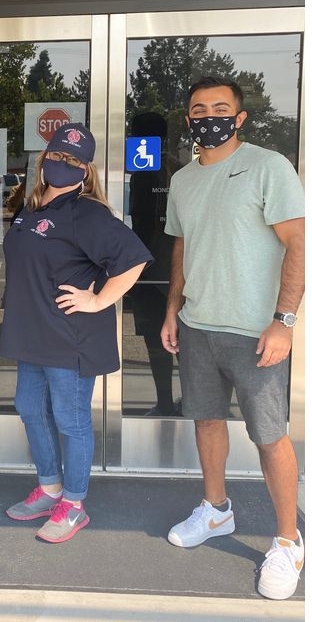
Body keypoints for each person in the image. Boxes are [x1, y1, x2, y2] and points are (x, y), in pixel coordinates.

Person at [159, 76, 305, 600]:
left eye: (221, 107)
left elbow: (299, 244)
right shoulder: (184, 181)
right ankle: (216, 510)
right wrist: (173, 309)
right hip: (199, 326)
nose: (209, 115)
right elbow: (182, 249)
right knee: (207, 423)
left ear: (240, 118)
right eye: (199, 108)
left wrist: (284, 322)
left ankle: (288, 541)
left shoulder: (269, 167)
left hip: (256, 334)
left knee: (269, 436)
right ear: (190, 118)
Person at [0, 123, 152, 543]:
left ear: (86, 169)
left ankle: (74, 503)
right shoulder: (31, 208)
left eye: (73, 160)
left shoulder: (87, 213)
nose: (61, 164)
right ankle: (49, 489)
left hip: (70, 336)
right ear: (43, 159)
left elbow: (134, 259)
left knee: (71, 419)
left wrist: (99, 300)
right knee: (29, 407)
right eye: (56, 156)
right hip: (32, 333)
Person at [125, 110, 180, 417]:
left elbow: (143, 226)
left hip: (151, 270)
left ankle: (165, 402)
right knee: (179, 342)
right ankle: (188, 404)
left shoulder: (146, 172)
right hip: (178, 269)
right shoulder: (180, 168)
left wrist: (132, 273)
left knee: (156, 343)